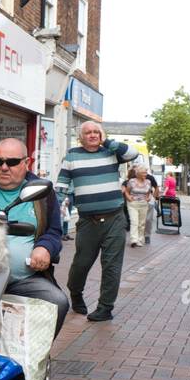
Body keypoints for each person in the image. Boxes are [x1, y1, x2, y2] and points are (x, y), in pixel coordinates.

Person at [0, 138, 69, 336]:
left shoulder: (42, 192)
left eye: (12, 162)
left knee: (57, 302)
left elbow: (54, 231)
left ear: (27, 163)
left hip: (24, 279)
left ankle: (33, 355)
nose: (4, 167)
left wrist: (45, 247)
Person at [56, 121, 139, 321]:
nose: (92, 135)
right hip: (87, 222)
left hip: (115, 218)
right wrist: (55, 208)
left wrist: (108, 142)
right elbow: (61, 185)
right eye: (88, 132)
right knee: (81, 264)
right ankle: (76, 294)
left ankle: (105, 308)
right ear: (81, 137)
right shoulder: (72, 156)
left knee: (112, 265)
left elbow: (133, 153)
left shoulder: (111, 152)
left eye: (96, 132)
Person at [122, 163, 155, 248]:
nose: (146, 174)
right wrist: (129, 198)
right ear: (138, 174)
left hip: (144, 204)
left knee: (142, 223)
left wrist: (148, 198)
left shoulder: (148, 182)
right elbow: (126, 191)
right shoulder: (132, 181)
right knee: (134, 222)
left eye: (146, 172)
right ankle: (134, 240)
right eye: (144, 173)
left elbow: (149, 192)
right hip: (133, 204)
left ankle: (140, 240)